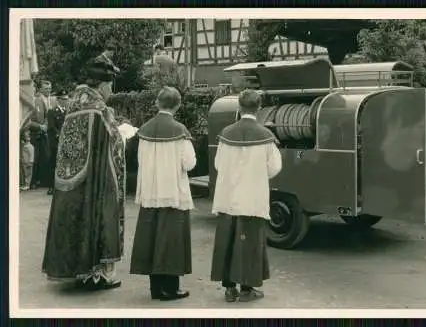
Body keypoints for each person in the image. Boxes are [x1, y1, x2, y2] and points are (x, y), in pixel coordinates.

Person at [41, 56, 125, 291]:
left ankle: (75, 268)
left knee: (73, 216)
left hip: (67, 178)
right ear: (103, 84)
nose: (111, 90)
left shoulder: (74, 105)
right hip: (92, 179)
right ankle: (96, 273)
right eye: (111, 86)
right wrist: (120, 133)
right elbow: (112, 144)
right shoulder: (99, 111)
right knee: (98, 212)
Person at [210, 89, 282, 302]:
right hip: (252, 197)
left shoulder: (226, 133)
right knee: (249, 242)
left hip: (228, 196)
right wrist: (257, 174)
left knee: (228, 240)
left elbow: (218, 165)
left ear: (239, 107)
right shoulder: (266, 136)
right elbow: (275, 167)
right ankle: (246, 289)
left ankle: (229, 289)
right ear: (259, 108)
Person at [130, 87, 195, 301]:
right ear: (177, 105)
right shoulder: (180, 131)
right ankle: (170, 289)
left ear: (157, 103)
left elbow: (139, 160)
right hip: (172, 193)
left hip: (150, 192)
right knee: (171, 241)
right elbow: (189, 163)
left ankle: (156, 289)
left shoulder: (144, 130)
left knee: (152, 239)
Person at [27, 80, 54, 189]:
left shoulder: (52, 100)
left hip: (47, 133)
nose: (48, 90)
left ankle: (44, 181)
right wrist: (40, 126)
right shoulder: (35, 100)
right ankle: (33, 181)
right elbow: (27, 120)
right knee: (36, 159)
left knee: (47, 157)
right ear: (40, 89)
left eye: (49, 88)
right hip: (36, 133)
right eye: (46, 88)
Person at [46, 90, 69, 195]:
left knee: (64, 164)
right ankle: (51, 186)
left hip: (65, 141)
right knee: (53, 164)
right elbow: (51, 127)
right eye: (63, 99)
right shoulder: (52, 111)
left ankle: (62, 185)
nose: (65, 101)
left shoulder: (67, 112)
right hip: (55, 142)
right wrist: (60, 135)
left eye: (66, 99)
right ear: (58, 99)